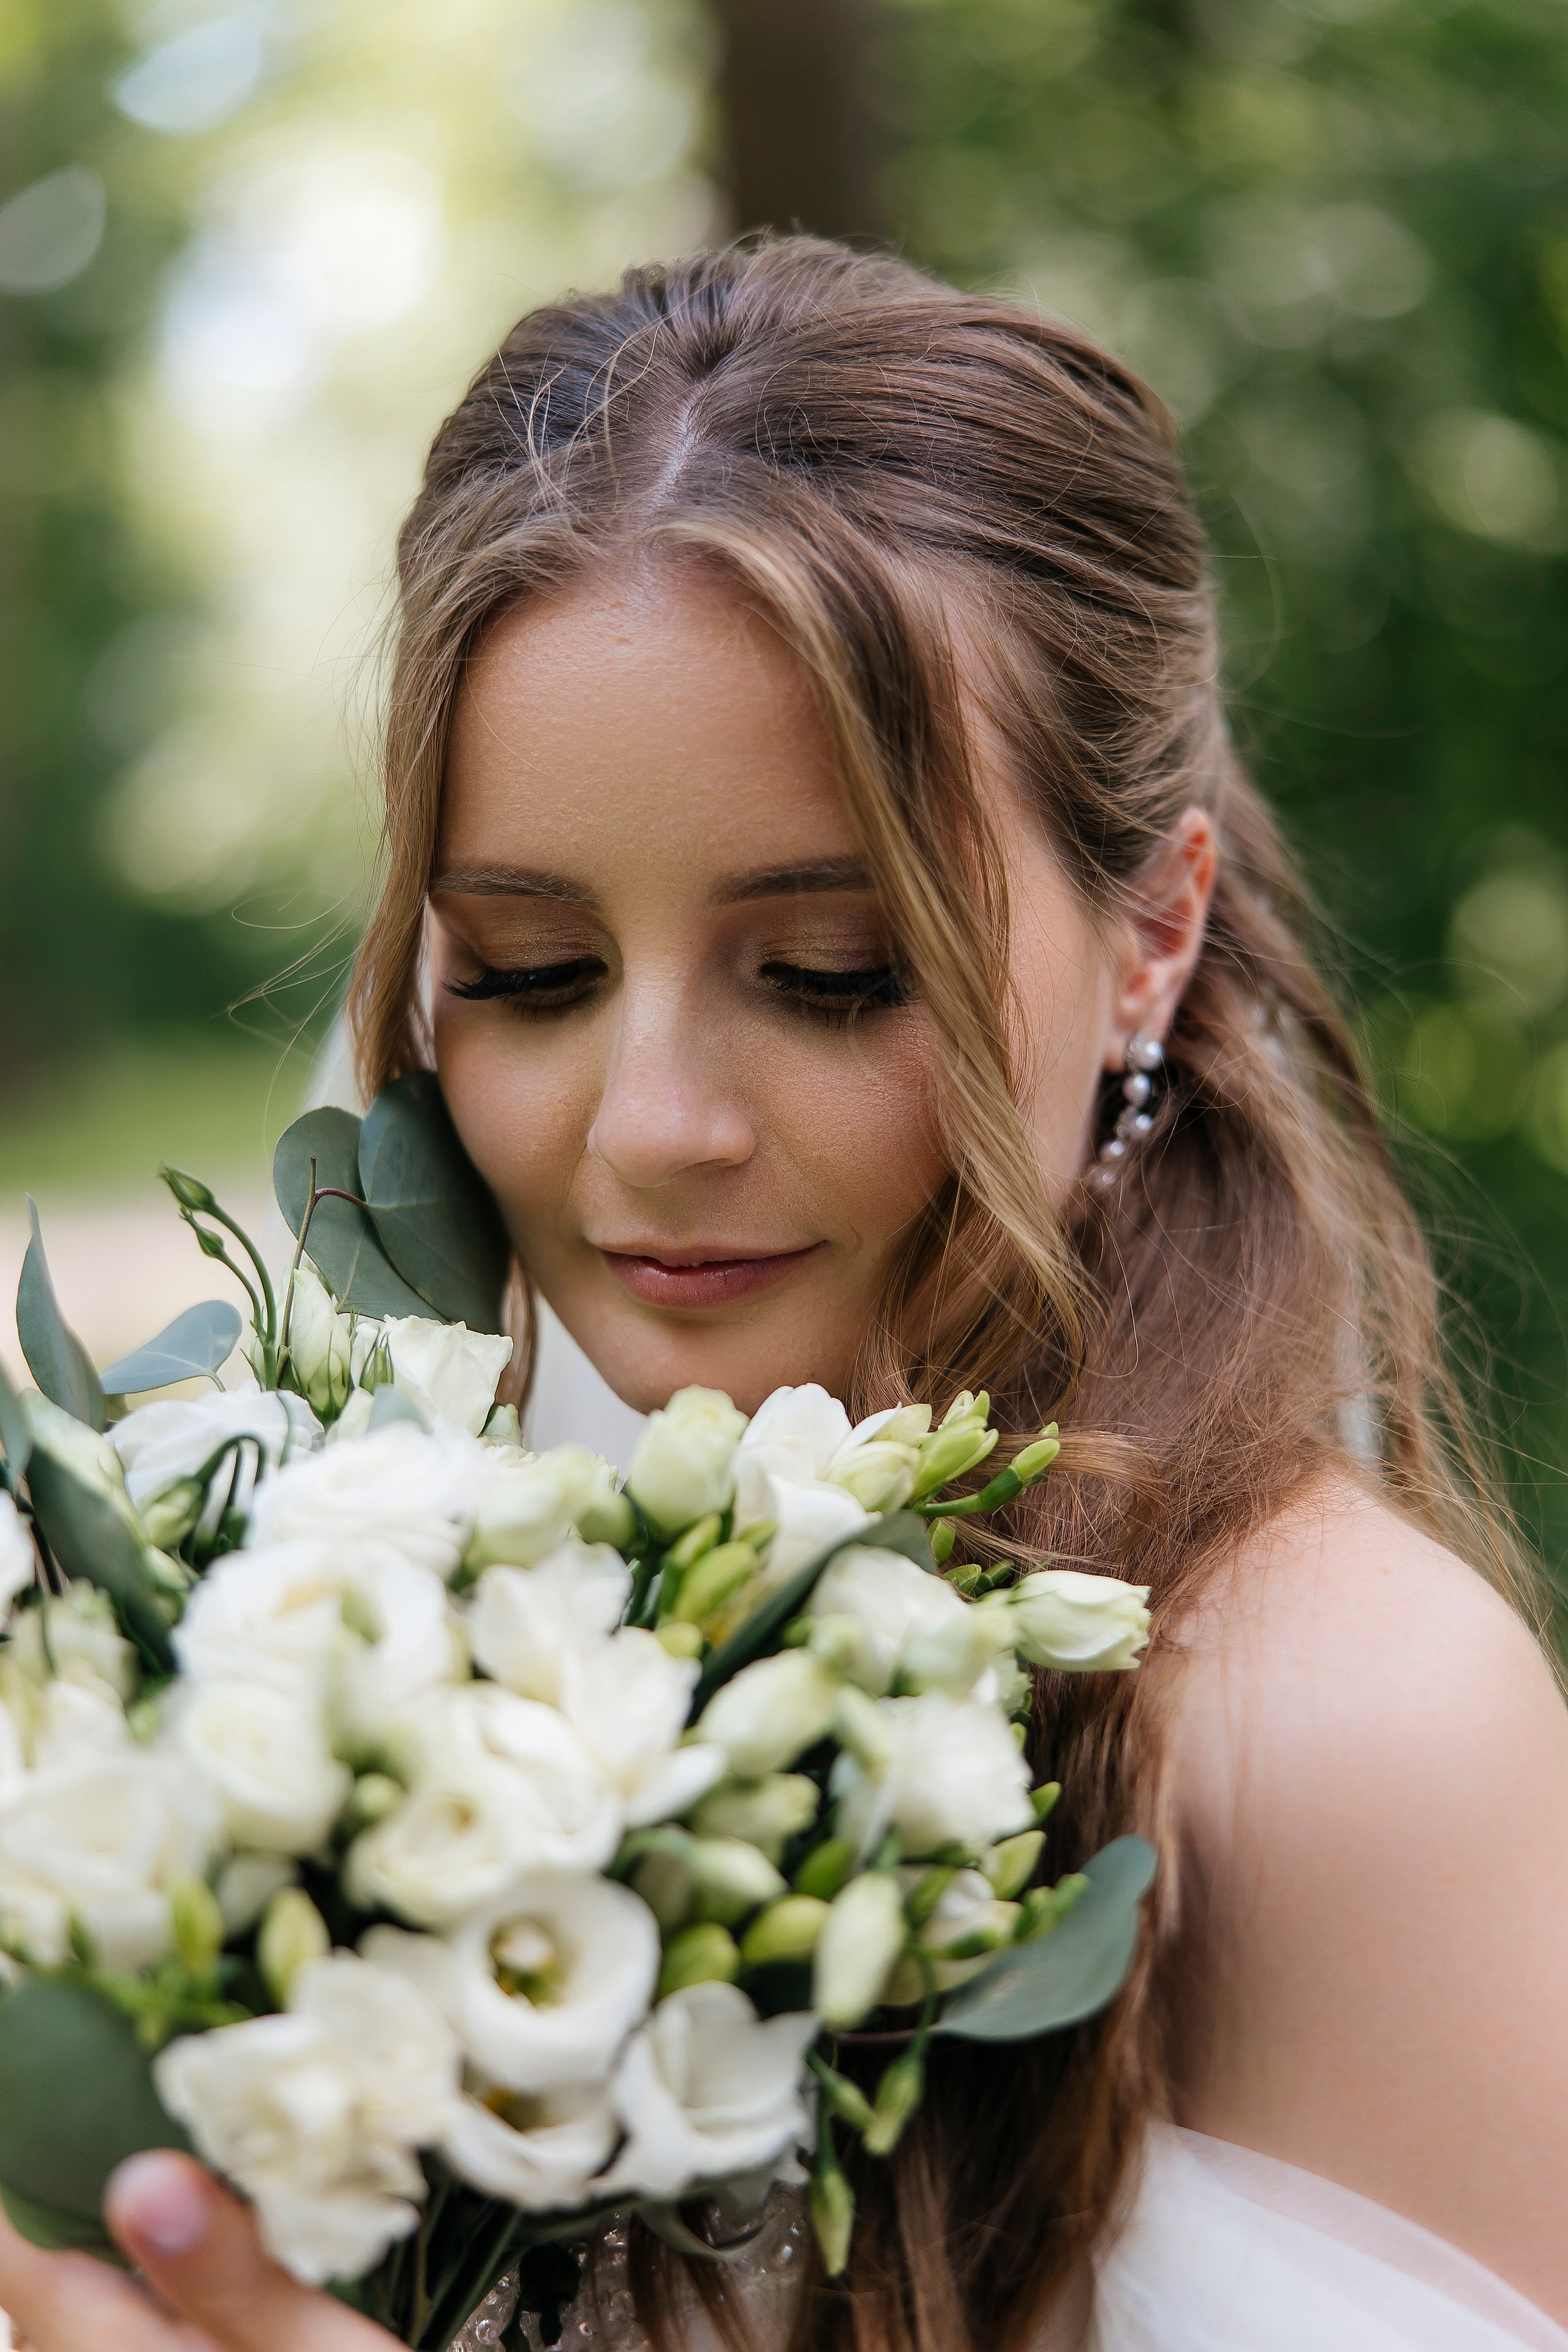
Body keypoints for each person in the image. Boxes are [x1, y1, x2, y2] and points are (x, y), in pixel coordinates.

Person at [5, 236, 1568, 2352]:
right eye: (533, 974)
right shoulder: (380, 1565)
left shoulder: (1344, 1741)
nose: (649, 1126)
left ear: (1154, 936)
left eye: (831, 975)